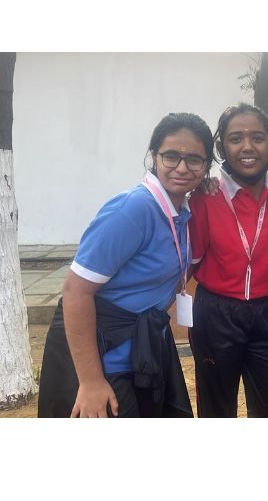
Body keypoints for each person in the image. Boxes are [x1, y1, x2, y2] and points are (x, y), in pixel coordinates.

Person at [38, 112, 214, 418]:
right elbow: (75, 292)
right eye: (171, 156)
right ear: (154, 157)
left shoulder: (182, 210)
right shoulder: (133, 208)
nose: (182, 167)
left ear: (207, 166)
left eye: (194, 160)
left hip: (145, 351)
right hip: (109, 361)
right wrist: (91, 382)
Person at [188, 103, 268, 418]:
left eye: (257, 137)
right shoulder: (205, 195)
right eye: (236, 138)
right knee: (217, 409)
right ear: (222, 147)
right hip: (215, 314)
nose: (248, 147)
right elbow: (189, 259)